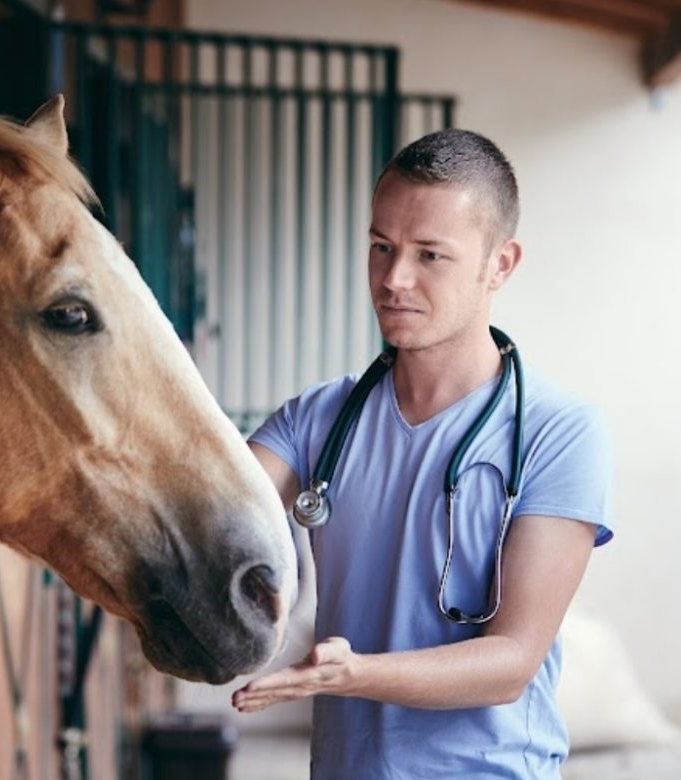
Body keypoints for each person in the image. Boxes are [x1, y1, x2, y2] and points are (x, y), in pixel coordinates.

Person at [232, 129, 613, 779]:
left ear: (501, 264)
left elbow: (512, 662)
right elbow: (211, 503)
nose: (393, 279)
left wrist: (352, 675)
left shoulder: (557, 432)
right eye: (382, 247)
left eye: (430, 255)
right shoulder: (318, 419)